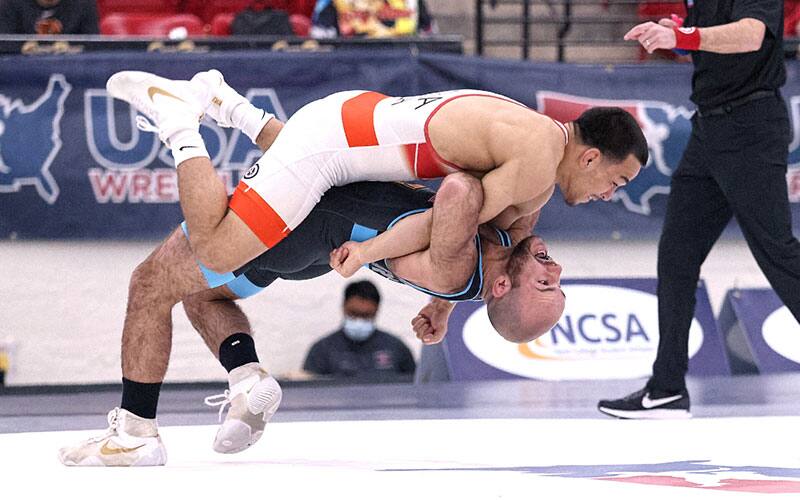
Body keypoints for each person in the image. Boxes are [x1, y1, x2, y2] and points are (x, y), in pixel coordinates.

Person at [58, 117, 564, 466]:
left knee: (161, 275)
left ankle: (182, 129)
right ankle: (246, 375)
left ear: (501, 285)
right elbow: (493, 237)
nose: (555, 267)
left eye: (546, 281)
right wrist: (444, 306)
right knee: (204, 296)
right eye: (558, 280)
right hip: (315, 248)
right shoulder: (492, 256)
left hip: (307, 222)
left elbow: (460, 194)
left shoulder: (466, 262)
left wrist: (521, 157)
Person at [104, 68, 648, 281]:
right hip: (332, 143)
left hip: (352, 122)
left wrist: (439, 302)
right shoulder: (534, 164)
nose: (608, 195)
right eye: (616, 182)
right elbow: (443, 228)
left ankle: (227, 105)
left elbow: (466, 237)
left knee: (328, 162)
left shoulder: (535, 140)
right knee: (219, 252)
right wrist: (368, 253)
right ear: (592, 156)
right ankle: (179, 120)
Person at [598, 0, 800, 419]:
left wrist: (685, 35)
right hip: (708, 129)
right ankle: (667, 388)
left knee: (777, 253)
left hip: (751, 126)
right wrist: (675, 33)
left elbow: (752, 34)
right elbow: (709, 45)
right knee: (676, 255)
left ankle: (667, 386)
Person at [302, 280, 416, 380]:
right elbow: (309, 392)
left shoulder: (396, 348)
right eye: (353, 314)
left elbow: (417, 388)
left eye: (366, 315)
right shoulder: (322, 351)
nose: (359, 321)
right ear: (344, 307)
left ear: (376, 311)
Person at [0, 0, 99, 35]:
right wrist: (22, 48)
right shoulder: (9, 4)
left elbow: (92, 44)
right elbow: (5, 43)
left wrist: (71, 48)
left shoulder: (84, 4)